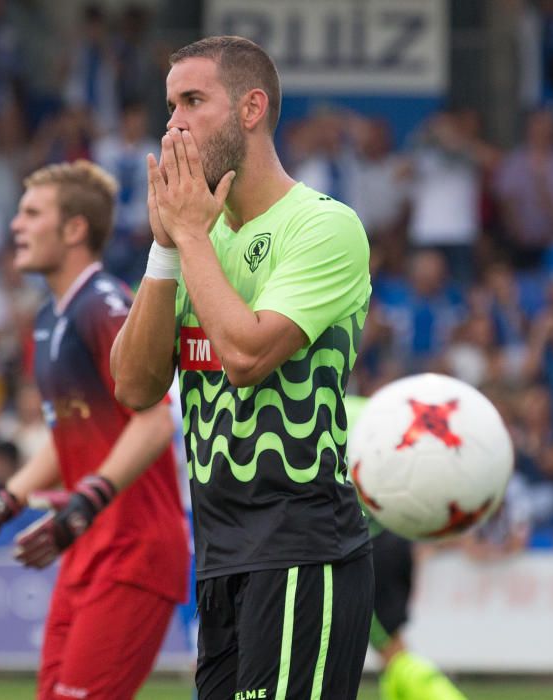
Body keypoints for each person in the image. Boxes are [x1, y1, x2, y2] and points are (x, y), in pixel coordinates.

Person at [110, 36, 374, 699]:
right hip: (222, 553)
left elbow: (245, 356)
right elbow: (135, 386)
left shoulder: (323, 226)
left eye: (193, 101)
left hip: (300, 548)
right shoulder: (198, 238)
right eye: (170, 105)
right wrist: (165, 249)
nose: (173, 124)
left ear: (251, 108)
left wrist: (191, 237)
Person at [0, 160, 189, 699]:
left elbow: (156, 421)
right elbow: (66, 440)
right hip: (87, 544)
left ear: (74, 229)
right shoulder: (47, 319)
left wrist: (86, 502)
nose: (16, 225)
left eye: (32, 213)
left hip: (134, 550)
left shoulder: (105, 306)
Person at [344, 395, 468, 700]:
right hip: (392, 535)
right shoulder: (374, 409)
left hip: (360, 547)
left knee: (393, 654)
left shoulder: (309, 410)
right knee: (388, 651)